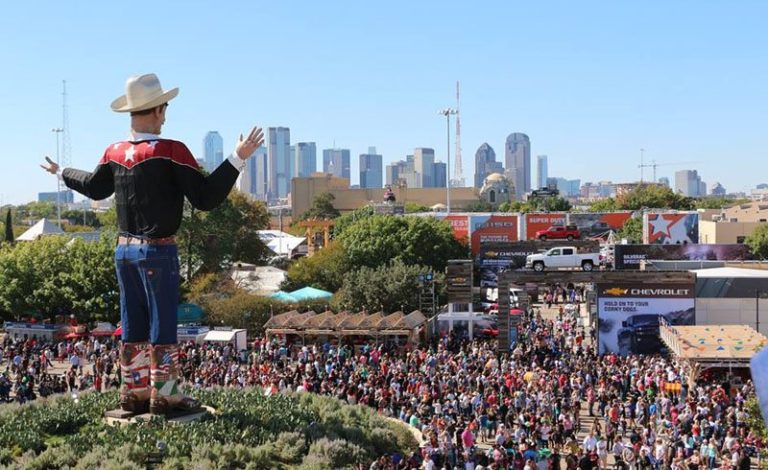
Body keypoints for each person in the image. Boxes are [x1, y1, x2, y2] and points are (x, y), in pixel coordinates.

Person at [41, 73, 263, 415]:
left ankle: (133, 393)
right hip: (158, 250)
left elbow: (96, 188)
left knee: (132, 322)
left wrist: (61, 172)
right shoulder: (171, 151)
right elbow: (205, 197)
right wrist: (237, 157)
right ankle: (166, 396)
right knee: (162, 325)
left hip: (123, 252)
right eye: (165, 108)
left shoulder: (114, 152)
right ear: (158, 110)